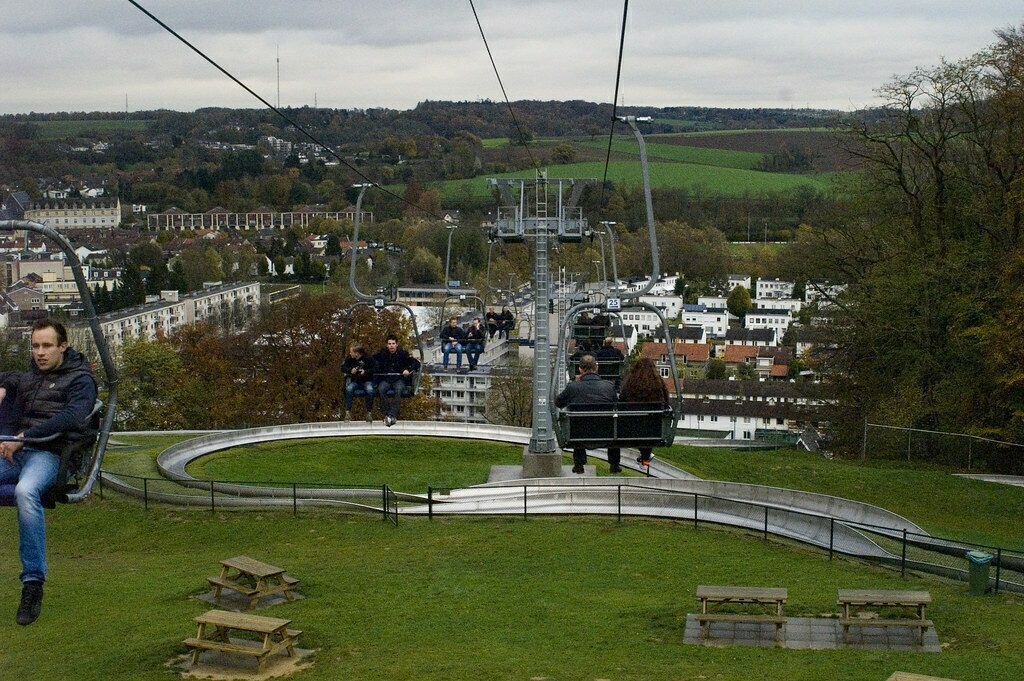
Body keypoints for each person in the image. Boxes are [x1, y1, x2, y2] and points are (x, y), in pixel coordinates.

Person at [0, 319, 97, 626]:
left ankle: (32, 583)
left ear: (62, 347)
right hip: (22, 449)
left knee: (25, 491)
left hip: (51, 454)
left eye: (46, 346)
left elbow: (73, 415)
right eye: (35, 346)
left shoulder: (80, 380)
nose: (39, 353)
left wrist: (23, 438)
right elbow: (12, 378)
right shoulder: (30, 376)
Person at [554, 355, 617, 474]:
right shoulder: (609, 386)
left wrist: (575, 385)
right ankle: (614, 462)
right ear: (596, 368)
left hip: (579, 435)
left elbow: (558, 403)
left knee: (578, 423)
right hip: (605, 434)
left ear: (580, 369)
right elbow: (616, 405)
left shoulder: (573, 387)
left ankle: (579, 463)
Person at [614, 357, 670, 468]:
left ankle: (644, 460)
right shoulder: (659, 385)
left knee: (640, 425)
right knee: (647, 427)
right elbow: (666, 403)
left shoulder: (629, 385)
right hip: (654, 429)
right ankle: (645, 460)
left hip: (631, 428)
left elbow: (621, 404)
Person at [373, 334, 422, 427]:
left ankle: (391, 415)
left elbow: (416, 363)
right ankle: (388, 415)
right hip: (386, 379)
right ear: (387, 345)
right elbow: (370, 360)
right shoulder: (382, 354)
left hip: (399, 379)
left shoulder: (403, 354)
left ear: (396, 344)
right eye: (389, 344)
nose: (391, 345)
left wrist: (408, 369)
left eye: (393, 343)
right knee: (381, 389)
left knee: (398, 389)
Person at [342, 343, 375, 422]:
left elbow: (375, 368)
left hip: (367, 380)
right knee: (348, 388)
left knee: (370, 390)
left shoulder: (368, 358)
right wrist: (350, 370)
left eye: (351, 352)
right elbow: (343, 368)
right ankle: (347, 412)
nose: (350, 353)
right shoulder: (350, 358)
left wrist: (366, 372)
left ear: (356, 353)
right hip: (356, 381)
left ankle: (369, 412)